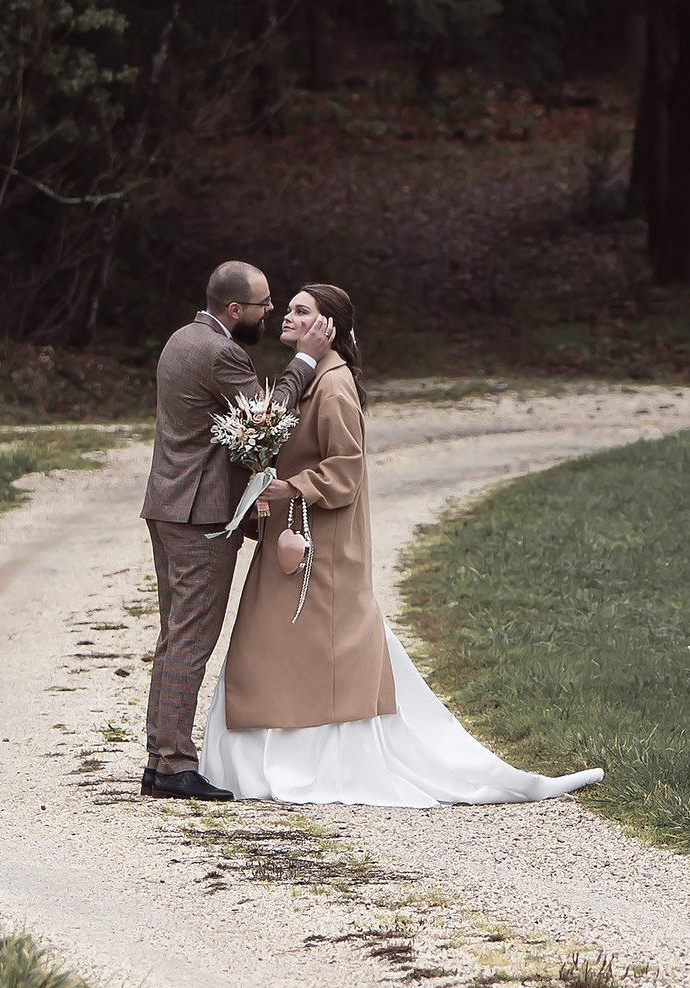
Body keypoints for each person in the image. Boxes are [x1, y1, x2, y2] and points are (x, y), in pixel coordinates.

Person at [199, 283, 604, 807]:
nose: (288, 316)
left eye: (302, 311)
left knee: (311, 645)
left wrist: (291, 487)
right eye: (290, 309)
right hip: (290, 535)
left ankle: (313, 767)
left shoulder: (335, 386)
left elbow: (345, 471)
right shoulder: (306, 377)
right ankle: (256, 764)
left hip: (321, 543)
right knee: (266, 644)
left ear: (330, 328)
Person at [140, 261, 335, 800]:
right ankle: (175, 765)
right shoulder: (222, 352)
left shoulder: (181, 339)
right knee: (191, 636)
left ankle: (161, 757)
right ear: (234, 310)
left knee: (175, 631)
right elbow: (264, 416)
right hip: (200, 515)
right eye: (262, 304)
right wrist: (305, 359)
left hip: (167, 505)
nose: (270, 311)